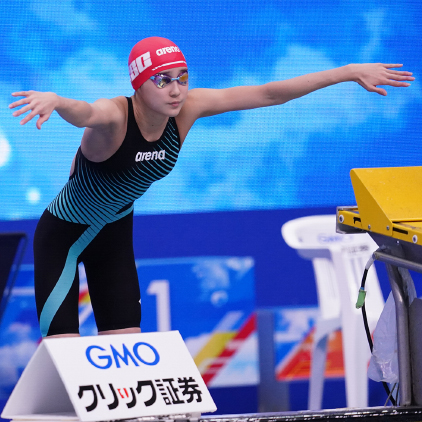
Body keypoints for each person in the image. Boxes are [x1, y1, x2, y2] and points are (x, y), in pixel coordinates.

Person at [9, 36, 414, 338]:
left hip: (113, 235)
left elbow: (268, 94)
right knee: (63, 352)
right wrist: (58, 101)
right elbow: (84, 113)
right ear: (138, 85)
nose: (175, 89)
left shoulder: (187, 110)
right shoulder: (115, 116)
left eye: (182, 78)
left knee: (124, 351)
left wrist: (346, 72)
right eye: (162, 80)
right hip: (62, 239)